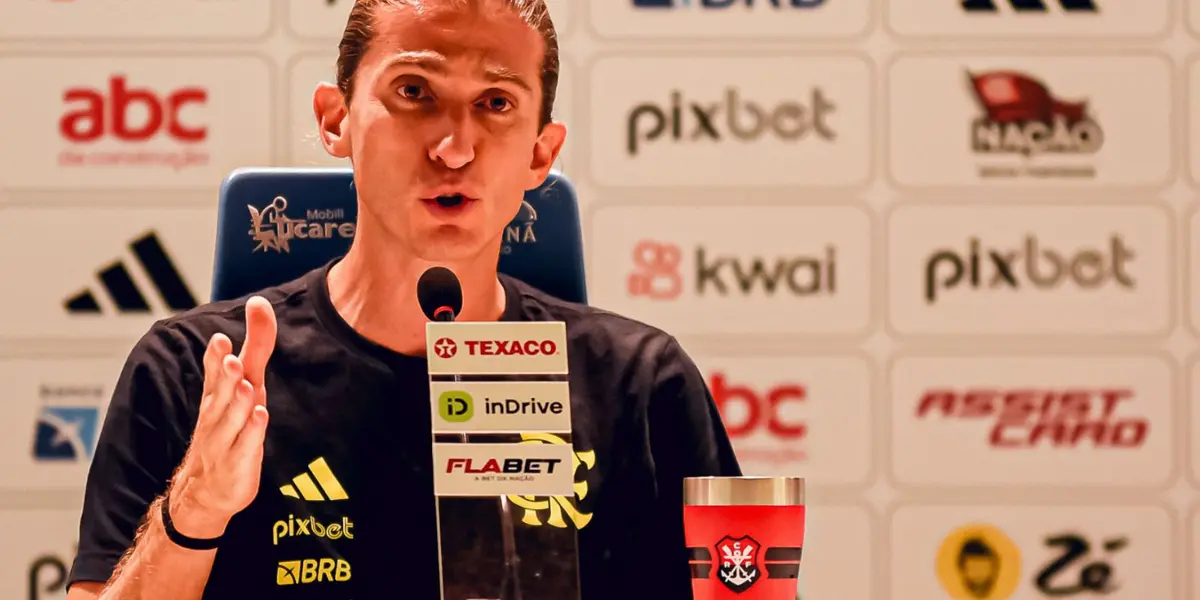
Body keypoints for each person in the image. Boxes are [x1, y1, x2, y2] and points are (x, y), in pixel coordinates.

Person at [64, 0, 741, 598]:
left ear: (541, 154)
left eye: (496, 103)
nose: (454, 148)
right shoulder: (198, 370)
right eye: (414, 92)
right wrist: (196, 509)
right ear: (336, 120)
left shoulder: (642, 386)